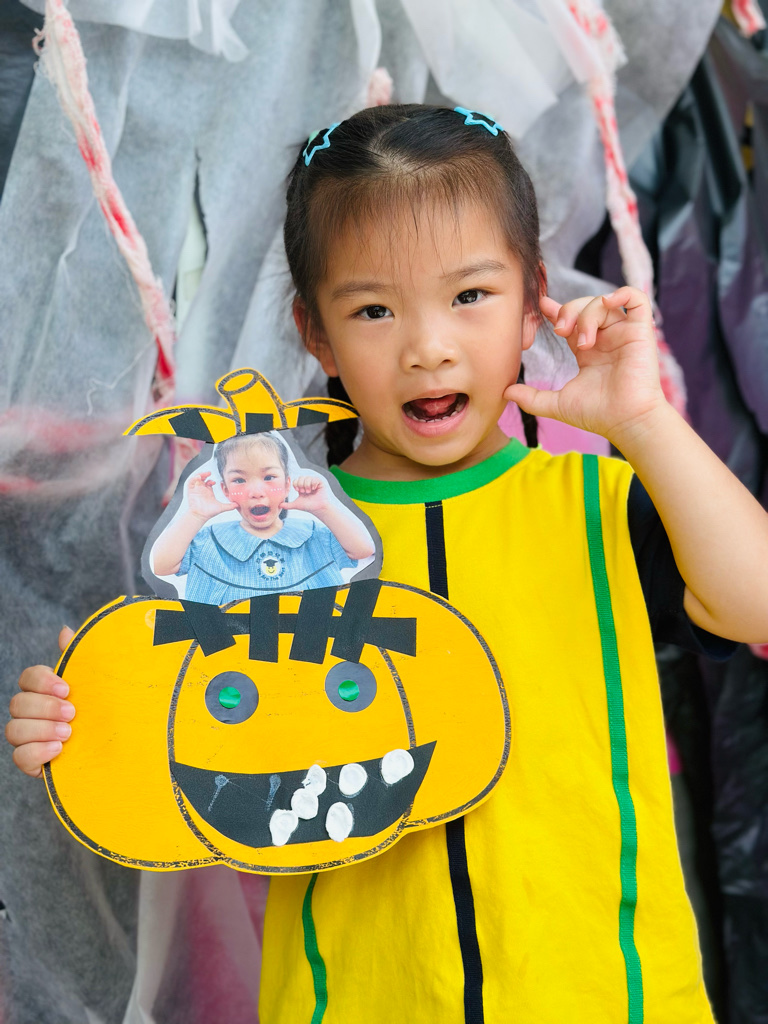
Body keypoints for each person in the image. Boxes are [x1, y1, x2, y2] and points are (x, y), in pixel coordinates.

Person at [7, 104, 768, 1022]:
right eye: (374, 309)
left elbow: (756, 602)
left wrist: (645, 423)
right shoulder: (266, 549)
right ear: (316, 333)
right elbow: (193, 729)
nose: (427, 347)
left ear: (534, 299)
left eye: (470, 296)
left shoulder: (601, 504)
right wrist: (82, 720)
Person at [151, 431, 375, 603]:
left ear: (287, 484)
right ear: (225, 490)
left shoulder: (313, 536)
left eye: (269, 477)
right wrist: (195, 514)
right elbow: (162, 566)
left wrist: (325, 508)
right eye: (239, 480)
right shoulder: (209, 542)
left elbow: (363, 550)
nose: (256, 492)